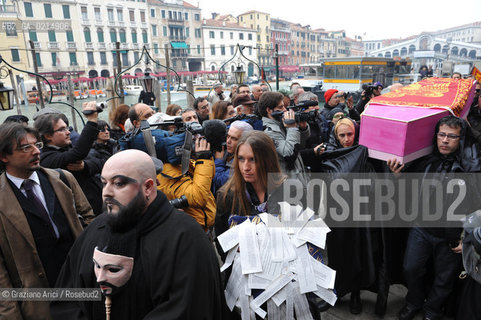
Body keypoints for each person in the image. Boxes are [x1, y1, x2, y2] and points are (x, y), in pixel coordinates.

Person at [51, 150, 227, 320]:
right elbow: (68, 299)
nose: (107, 192)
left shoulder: (186, 236)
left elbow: (190, 308)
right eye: (104, 183)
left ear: (148, 187)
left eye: (119, 183)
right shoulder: (96, 229)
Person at [0, 123, 94, 319]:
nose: (36, 151)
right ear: (4, 156)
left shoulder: (63, 179)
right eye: (26, 147)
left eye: (37, 145)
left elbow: (88, 220)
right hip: (38, 300)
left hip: (81, 289)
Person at [390, 116, 469, 320]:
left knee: (445, 278)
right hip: (421, 228)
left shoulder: (469, 168)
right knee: (411, 268)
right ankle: (414, 301)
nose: (445, 140)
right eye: (441, 134)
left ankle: (432, 309)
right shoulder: (425, 160)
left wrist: (467, 235)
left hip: (451, 236)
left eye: (452, 136)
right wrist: (398, 177)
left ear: (461, 139)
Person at [35, 102, 105, 215]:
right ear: (47, 135)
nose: (68, 132)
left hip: (98, 204)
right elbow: (78, 154)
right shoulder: (47, 158)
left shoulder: (68, 148)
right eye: (62, 129)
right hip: (83, 213)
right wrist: (91, 121)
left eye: (67, 128)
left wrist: (85, 166)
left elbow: (102, 162)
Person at [157, 115, 216, 230]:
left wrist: (204, 157)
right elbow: (197, 196)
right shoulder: (166, 172)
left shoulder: (181, 162)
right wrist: (204, 158)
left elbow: (208, 177)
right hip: (190, 233)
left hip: (203, 228)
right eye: (173, 134)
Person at [258, 91, 310, 186]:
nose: (285, 110)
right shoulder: (270, 132)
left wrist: (303, 128)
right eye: (281, 107)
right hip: (287, 185)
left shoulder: (281, 123)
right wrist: (292, 128)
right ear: (269, 110)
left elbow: (299, 144)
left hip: (298, 180)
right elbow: (289, 154)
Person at [213, 120, 253, 194]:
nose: (228, 141)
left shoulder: (243, 161)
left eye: (234, 138)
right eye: (228, 136)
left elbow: (221, 182)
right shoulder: (229, 153)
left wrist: (218, 161)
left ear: (246, 140)